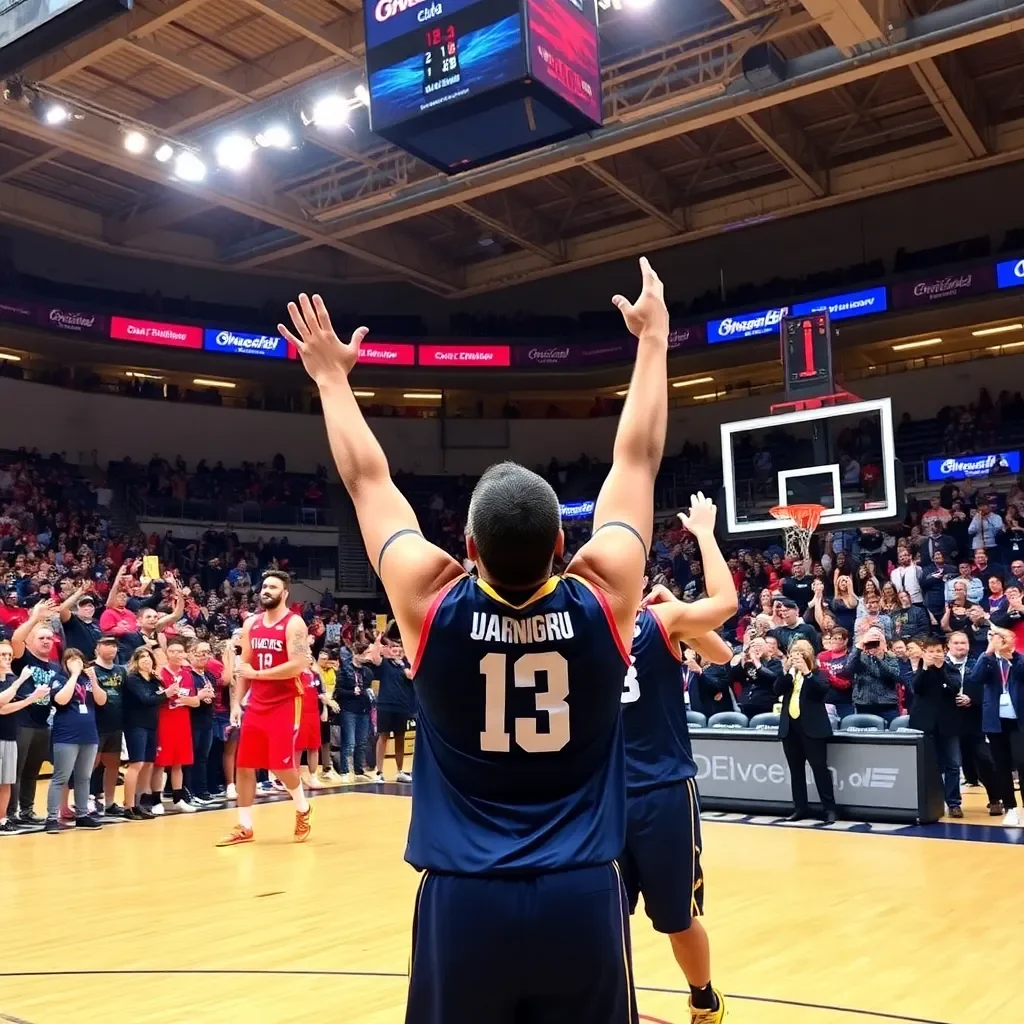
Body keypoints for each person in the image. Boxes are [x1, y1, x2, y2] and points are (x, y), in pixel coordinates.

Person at [278, 257, 669, 1023]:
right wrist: (652, 341)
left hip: (464, 897)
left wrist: (331, 379)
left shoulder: (430, 604)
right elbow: (638, 459)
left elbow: (367, 482)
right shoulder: (606, 596)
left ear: (465, 544)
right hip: (584, 893)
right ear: (564, 540)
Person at [619, 501, 736, 1024]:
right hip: (605, 792)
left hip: (663, 789)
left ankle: (704, 998)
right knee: (601, 914)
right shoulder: (597, 623)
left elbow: (722, 655)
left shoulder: (658, 621)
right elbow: (725, 610)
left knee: (677, 918)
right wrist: (705, 536)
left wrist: (681, 613)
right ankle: (609, 1001)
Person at [217, 570, 313, 847]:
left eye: (273, 587)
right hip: (257, 702)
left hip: (285, 701)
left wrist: (258, 675)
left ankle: (302, 808)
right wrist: (236, 702)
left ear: (284, 593)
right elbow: (245, 666)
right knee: (244, 764)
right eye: (264, 586)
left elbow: (298, 665)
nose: (266, 590)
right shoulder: (251, 624)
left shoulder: (294, 624)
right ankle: (245, 826)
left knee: (280, 765)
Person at [6, 598, 61, 826]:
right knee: (16, 772)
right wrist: (35, 619)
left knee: (32, 771)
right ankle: (11, 812)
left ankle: (27, 809)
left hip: (43, 724)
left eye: (49, 638)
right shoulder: (22, 659)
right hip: (21, 722)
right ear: (30, 641)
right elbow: (15, 639)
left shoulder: (55, 667)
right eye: (41, 638)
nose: (47, 641)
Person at [46, 648, 107, 833]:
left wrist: (94, 679)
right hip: (66, 736)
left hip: (89, 735)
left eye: (79, 659)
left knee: (84, 777)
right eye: (72, 659)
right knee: (61, 777)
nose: (77, 663)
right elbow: (61, 700)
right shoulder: (59, 678)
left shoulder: (87, 680)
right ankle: (51, 818)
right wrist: (73, 675)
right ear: (65, 662)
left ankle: (82, 815)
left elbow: (102, 700)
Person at [775, 639, 837, 824]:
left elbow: (822, 691)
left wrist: (807, 672)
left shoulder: (818, 674)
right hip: (790, 728)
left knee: (820, 769)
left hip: (813, 729)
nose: (796, 658)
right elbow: (776, 689)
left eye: (800, 654)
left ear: (808, 655)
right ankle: (800, 808)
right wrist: (787, 673)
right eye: (794, 654)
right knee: (796, 771)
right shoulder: (789, 676)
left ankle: (829, 809)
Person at [969, 627, 1024, 826]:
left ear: (1013, 640)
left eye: (1003, 637)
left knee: (1021, 761)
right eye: (995, 637)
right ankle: (1010, 807)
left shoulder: (1019, 659)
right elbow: (974, 679)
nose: (998, 640)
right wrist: (988, 652)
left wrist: (1013, 655)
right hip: (996, 722)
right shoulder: (989, 661)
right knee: (1000, 766)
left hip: (1019, 722)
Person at [0, 640, 50, 833]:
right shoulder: (15, 681)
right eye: (2, 655)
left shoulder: (11, 680)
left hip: (10, 735)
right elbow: (2, 706)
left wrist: (31, 698)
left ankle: (3, 820)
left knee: (6, 781)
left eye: (9, 656)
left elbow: (10, 707)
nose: (6, 659)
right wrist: (25, 687)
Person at [910, 637, 963, 818]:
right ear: (925, 652)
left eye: (938, 651)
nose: (934, 655)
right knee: (929, 766)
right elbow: (917, 688)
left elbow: (954, 688)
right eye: (930, 651)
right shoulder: (920, 670)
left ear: (944, 651)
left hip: (949, 724)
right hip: (924, 725)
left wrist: (940, 670)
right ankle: (930, 802)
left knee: (953, 765)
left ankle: (954, 803)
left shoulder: (952, 670)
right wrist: (925, 668)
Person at [155, 637, 202, 814]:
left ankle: (178, 798)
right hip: (164, 720)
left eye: (180, 651)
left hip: (182, 722)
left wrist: (187, 700)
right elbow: (158, 697)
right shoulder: (160, 673)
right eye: (172, 651)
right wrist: (171, 695)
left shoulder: (187, 674)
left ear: (185, 654)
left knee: (178, 763)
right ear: (167, 653)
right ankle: (155, 799)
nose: (176, 654)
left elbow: (195, 702)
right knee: (160, 763)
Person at [122, 646, 165, 819]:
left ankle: (139, 802)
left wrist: (162, 686)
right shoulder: (133, 678)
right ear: (136, 661)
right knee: (136, 764)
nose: (146, 659)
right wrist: (166, 694)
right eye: (142, 657)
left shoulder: (154, 679)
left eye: (148, 656)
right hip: (136, 725)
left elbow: (160, 696)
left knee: (148, 764)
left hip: (151, 724)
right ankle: (128, 805)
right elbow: (146, 699)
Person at [89, 635, 127, 816]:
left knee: (113, 765)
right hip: (96, 725)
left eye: (113, 645)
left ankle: (109, 802)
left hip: (116, 725)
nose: (111, 648)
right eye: (106, 645)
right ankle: (86, 801)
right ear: (97, 648)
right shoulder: (90, 670)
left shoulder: (121, 670)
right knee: (91, 765)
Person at [375, 637, 414, 783]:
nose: (397, 652)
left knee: (400, 738)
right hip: (385, 704)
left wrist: (403, 664)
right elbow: (374, 656)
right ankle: (379, 772)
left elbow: (410, 676)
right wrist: (378, 641)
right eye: (395, 650)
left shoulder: (405, 666)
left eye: (400, 650)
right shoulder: (385, 663)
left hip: (401, 705)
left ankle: (400, 771)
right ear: (390, 651)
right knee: (383, 737)